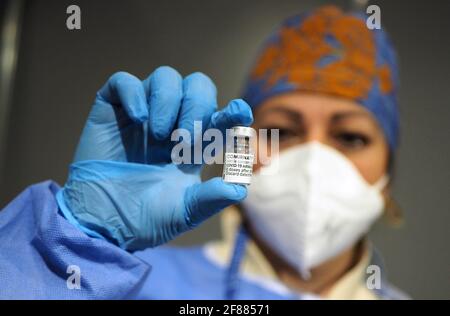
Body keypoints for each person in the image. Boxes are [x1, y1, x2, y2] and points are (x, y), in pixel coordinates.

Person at [0, 5, 408, 299]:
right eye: (281, 131)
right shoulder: (126, 282)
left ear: (387, 174)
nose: (313, 163)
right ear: (240, 151)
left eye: (351, 138)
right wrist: (74, 245)